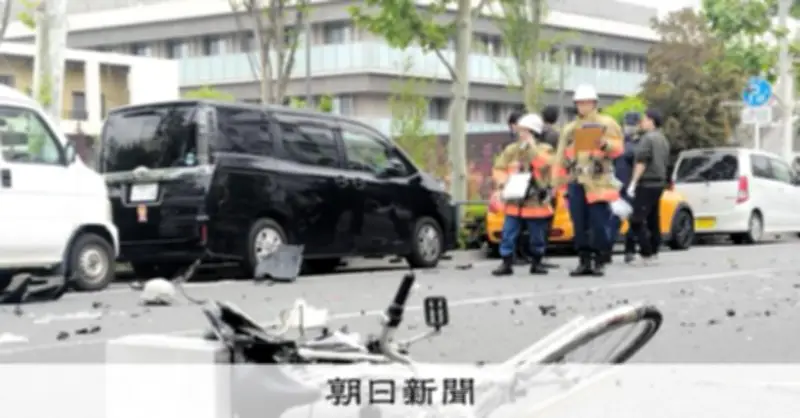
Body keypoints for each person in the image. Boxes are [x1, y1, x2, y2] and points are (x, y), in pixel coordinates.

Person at [553, 84, 624, 277]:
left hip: (598, 180)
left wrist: (605, 144)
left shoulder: (607, 123)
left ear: (594, 103)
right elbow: (560, 155)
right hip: (576, 180)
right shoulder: (570, 129)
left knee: (599, 223)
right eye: (579, 103)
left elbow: (618, 148)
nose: (583, 106)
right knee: (579, 223)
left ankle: (600, 259)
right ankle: (584, 260)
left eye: (586, 102)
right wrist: (557, 180)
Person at [491, 113, 556, 276]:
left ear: (533, 132)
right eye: (520, 131)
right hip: (514, 200)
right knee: (508, 233)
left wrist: (531, 148)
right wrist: (501, 184)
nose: (521, 135)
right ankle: (506, 262)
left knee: (537, 236)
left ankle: (537, 262)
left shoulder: (545, 149)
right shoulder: (511, 150)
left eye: (525, 131)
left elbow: (545, 165)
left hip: (535, 202)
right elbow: (499, 168)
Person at [626, 108, 671, 265]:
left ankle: (646, 252)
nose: (641, 122)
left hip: (646, 182)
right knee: (653, 218)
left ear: (651, 121)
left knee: (636, 219)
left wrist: (633, 182)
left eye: (644, 119)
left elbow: (641, 162)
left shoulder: (647, 139)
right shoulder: (663, 139)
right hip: (659, 183)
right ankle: (654, 249)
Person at [608, 111, 641, 263]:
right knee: (615, 220)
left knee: (632, 221)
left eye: (632, 124)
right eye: (627, 124)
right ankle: (607, 250)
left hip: (632, 187)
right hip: (619, 187)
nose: (629, 127)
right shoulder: (619, 143)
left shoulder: (639, 144)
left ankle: (629, 250)